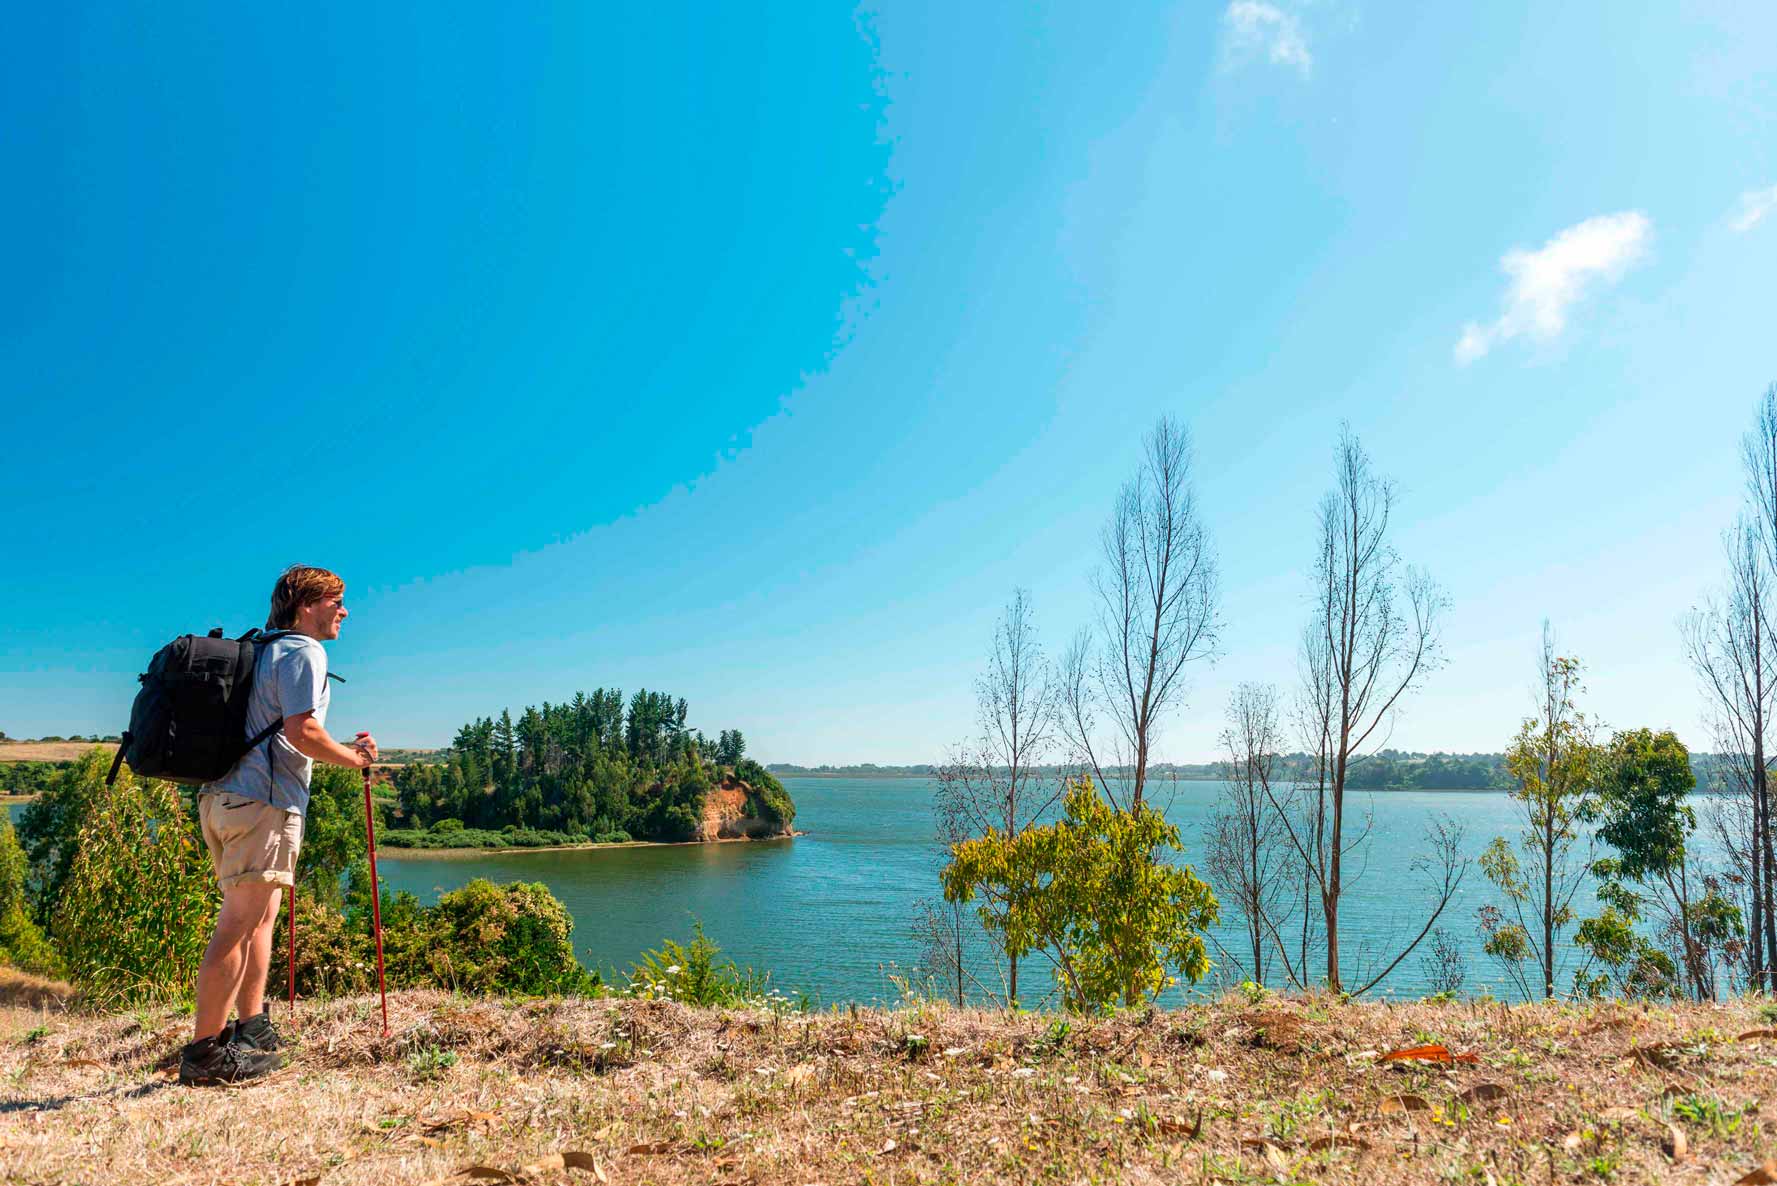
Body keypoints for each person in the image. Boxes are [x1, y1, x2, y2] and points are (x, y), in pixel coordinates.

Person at [178, 565, 378, 1086]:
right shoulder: (305, 651)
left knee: (261, 917)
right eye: (337, 601)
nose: (345, 611)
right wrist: (355, 761)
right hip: (261, 802)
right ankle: (204, 1054)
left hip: (226, 798)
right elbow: (303, 731)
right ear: (307, 605)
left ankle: (253, 1027)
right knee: (238, 924)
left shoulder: (264, 649)